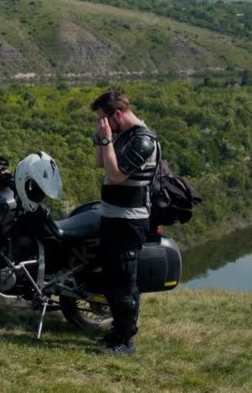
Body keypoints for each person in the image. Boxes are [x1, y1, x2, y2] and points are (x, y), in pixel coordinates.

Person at [90, 88, 158, 355]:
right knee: (111, 280)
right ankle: (118, 332)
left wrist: (107, 140)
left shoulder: (143, 141)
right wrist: (102, 139)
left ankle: (126, 342)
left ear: (117, 114)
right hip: (112, 217)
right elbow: (101, 164)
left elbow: (116, 176)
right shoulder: (122, 137)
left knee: (125, 282)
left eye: (103, 118)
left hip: (129, 222)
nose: (102, 123)